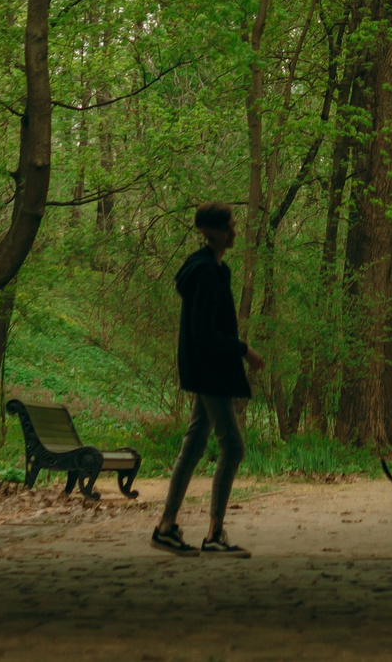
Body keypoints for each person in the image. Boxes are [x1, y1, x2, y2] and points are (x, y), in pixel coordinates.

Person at [152, 203, 265, 555]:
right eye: (229, 226)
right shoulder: (202, 272)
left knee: (194, 445)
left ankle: (167, 527)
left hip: (211, 370)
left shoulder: (219, 270)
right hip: (209, 370)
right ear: (210, 232)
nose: (234, 231)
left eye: (234, 225)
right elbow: (203, 332)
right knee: (232, 446)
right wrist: (243, 350)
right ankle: (213, 534)